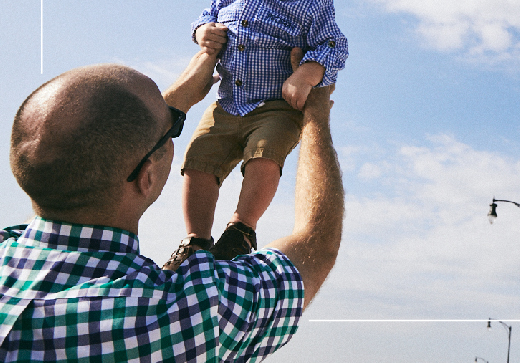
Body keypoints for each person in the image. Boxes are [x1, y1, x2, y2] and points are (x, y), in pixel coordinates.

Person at [1, 49, 344, 361]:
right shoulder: (175, 316)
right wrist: (315, 115)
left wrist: (174, 100)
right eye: (172, 129)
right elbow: (317, 242)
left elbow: (100, 144)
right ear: (146, 176)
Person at [167, 0, 348, 269]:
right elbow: (205, 16)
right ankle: (197, 239)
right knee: (199, 160)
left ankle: (241, 228)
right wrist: (203, 32)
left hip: (277, 106)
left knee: (264, 158)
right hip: (228, 98)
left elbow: (333, 44)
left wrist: (307, 72)